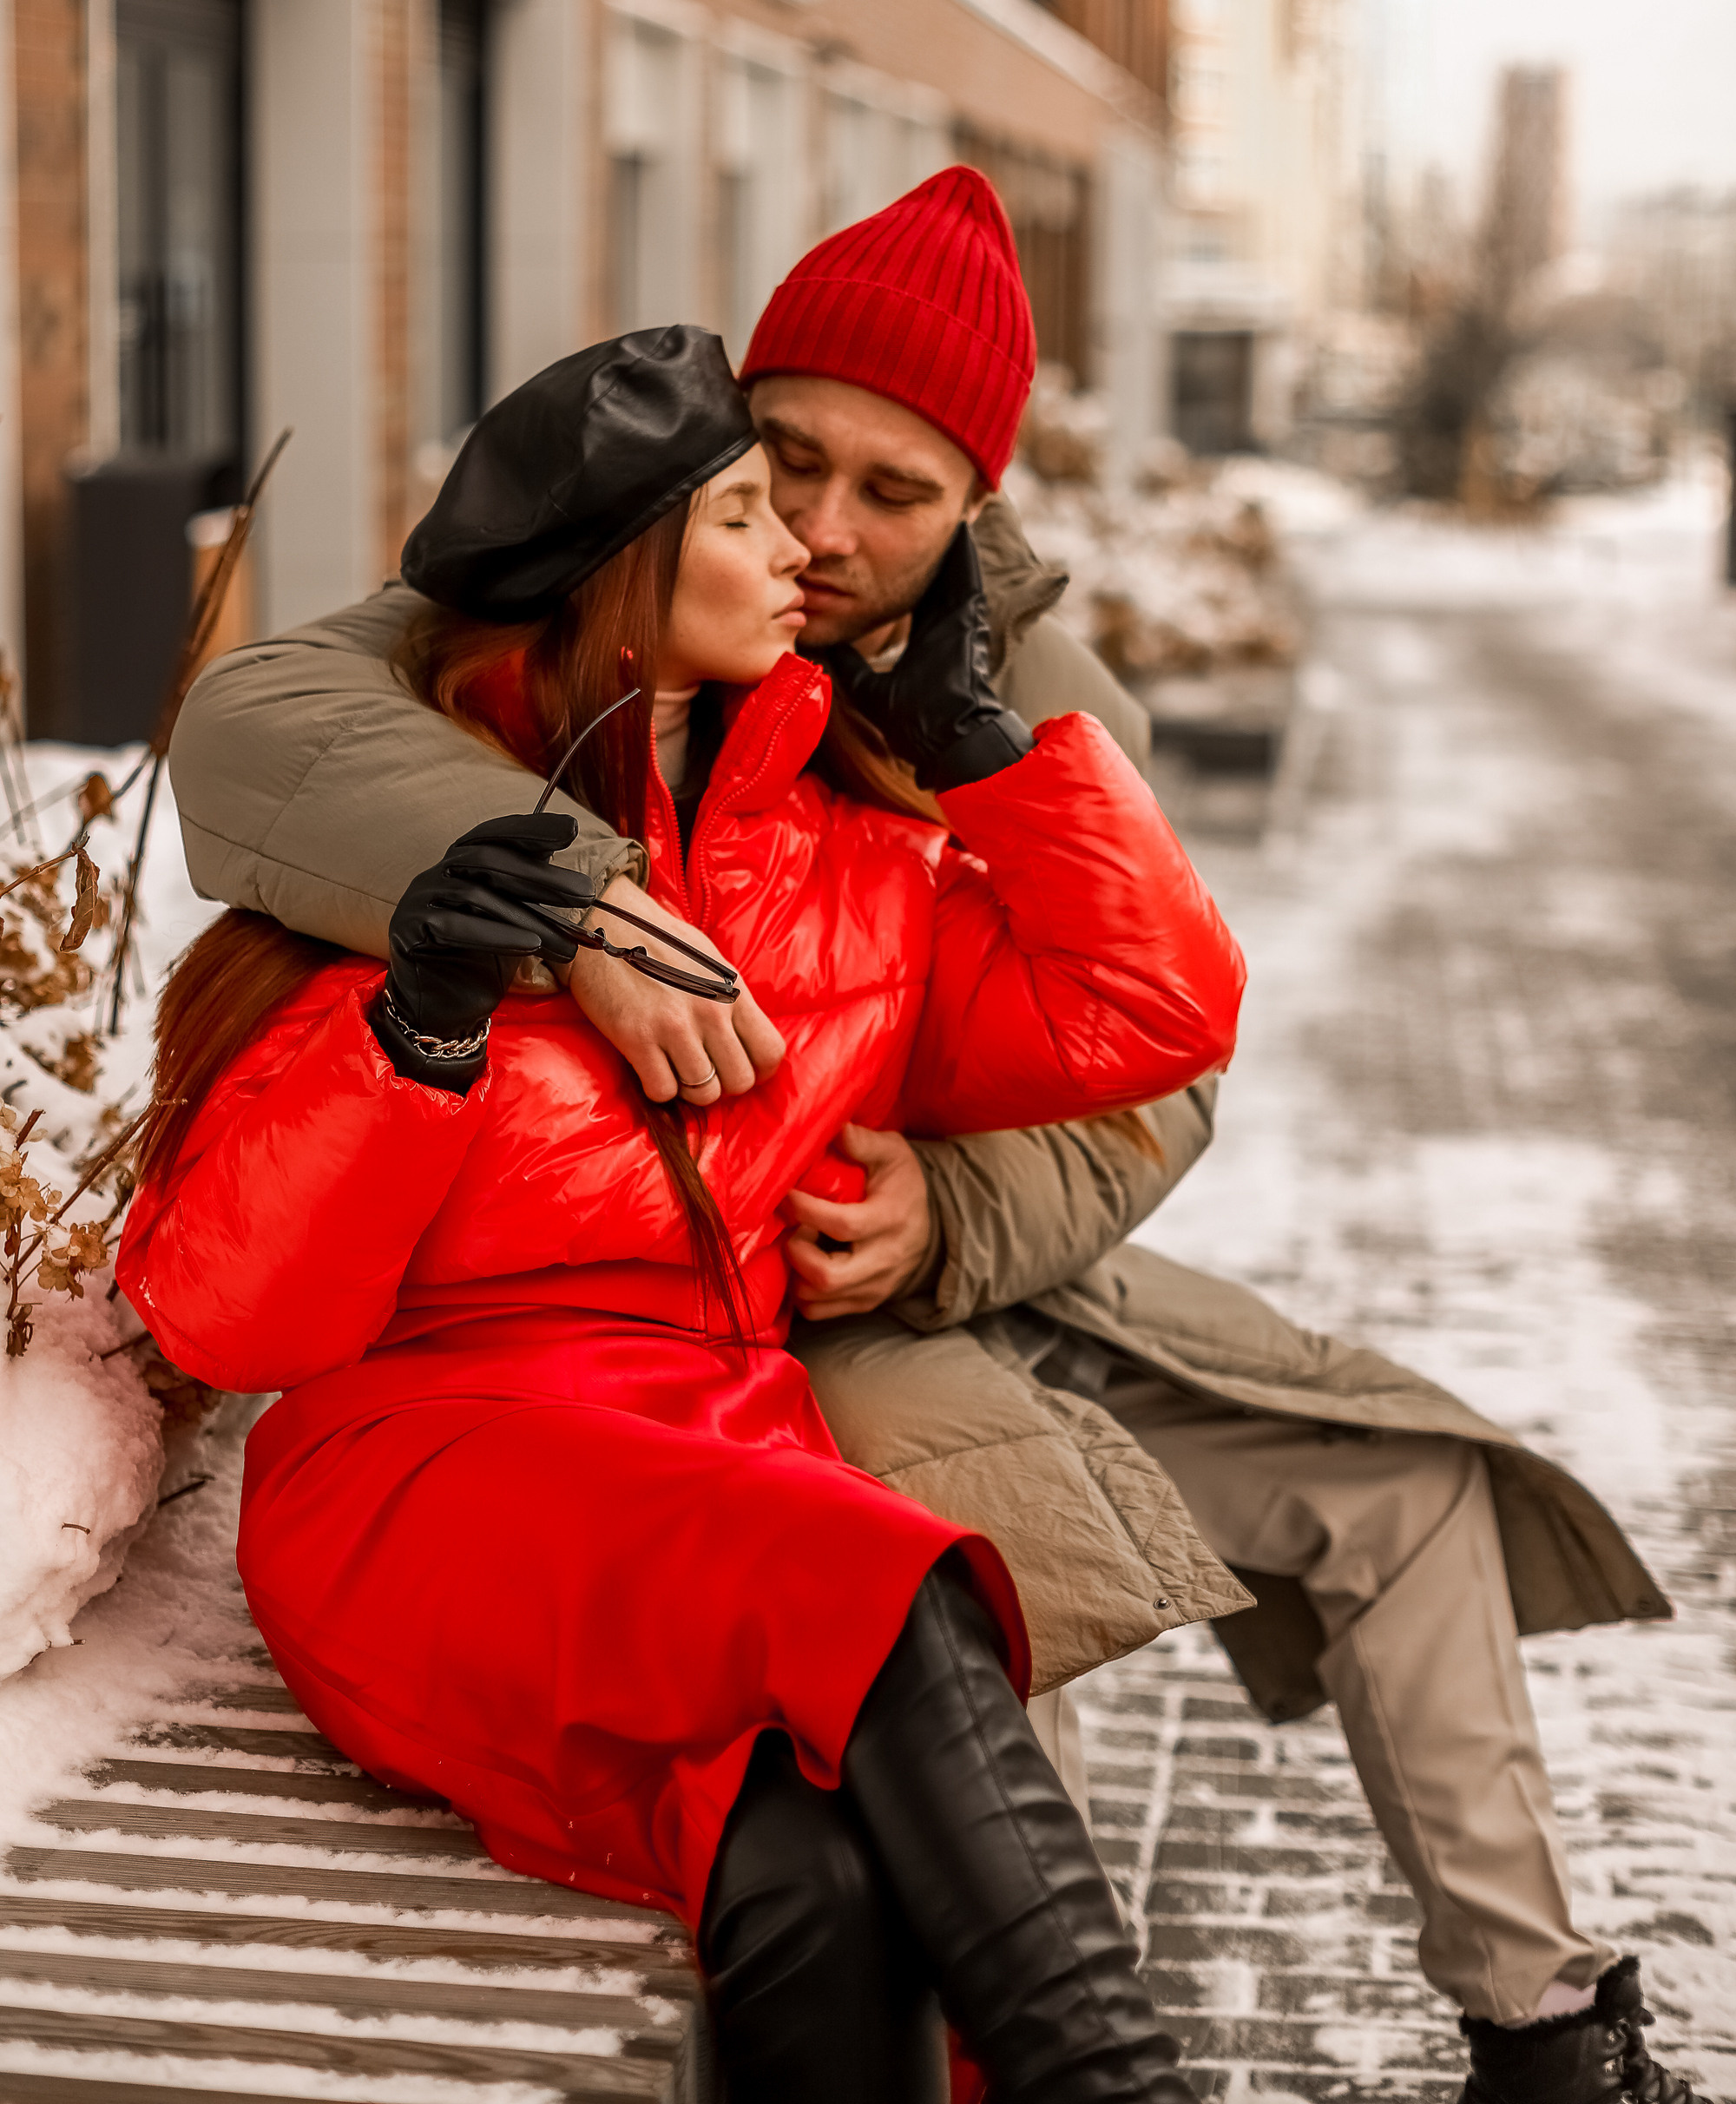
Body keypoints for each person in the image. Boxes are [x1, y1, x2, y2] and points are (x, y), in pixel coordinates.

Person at [167, 170, 1710, 2104]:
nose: (815, 530)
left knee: (1414, 1493)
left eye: (887, 497)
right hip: (656, 1339)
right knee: (960, 1590)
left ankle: (1547, 2029)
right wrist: (579, 911)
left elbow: (1158, 1049)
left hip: (891, 1258)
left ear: (977, 507)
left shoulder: (1008, 700)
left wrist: (950, 1213)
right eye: (780, 463)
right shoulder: (594, 592)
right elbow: (268, 731)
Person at [122, 324, 1248, 2104]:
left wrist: (990, 753)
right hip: (430, 1468)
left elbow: (1149, 1015)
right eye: (746, 509)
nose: (808, 543)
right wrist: (417, 1027)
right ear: (621, 587)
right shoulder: (415, 867)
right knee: (883, 1578)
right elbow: (220, 1320)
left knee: (813, 1861)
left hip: (719, 1428)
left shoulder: (853, 866)